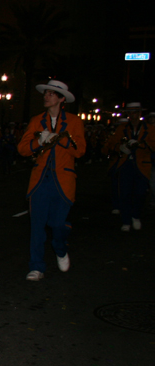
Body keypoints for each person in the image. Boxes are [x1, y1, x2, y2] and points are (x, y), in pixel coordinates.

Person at [17, 80, 86, 281]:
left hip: (63, 180)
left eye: (51, 94)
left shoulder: (74, 121)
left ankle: (60, 248)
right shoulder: (37, 120)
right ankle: (36, 266)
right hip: (40, 181)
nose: (46, 96)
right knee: (37, 226)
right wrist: (38, 141)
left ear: (61, 99)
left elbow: (80, 150)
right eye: (45, 93)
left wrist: (59, 138)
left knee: (57, 224)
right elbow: (22, 149)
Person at [103, 102, 154, 231]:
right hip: (125, 165)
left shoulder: (150, 128)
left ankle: (135, 215)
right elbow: (111, 144)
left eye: (135, 113)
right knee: (124, 193)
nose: (133, 115)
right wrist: (120, 148)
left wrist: (141, 145)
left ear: (140, 113)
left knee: (140, 193)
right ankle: (126, 220)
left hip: (142, 166)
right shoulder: (122, 128)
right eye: (130, 113)